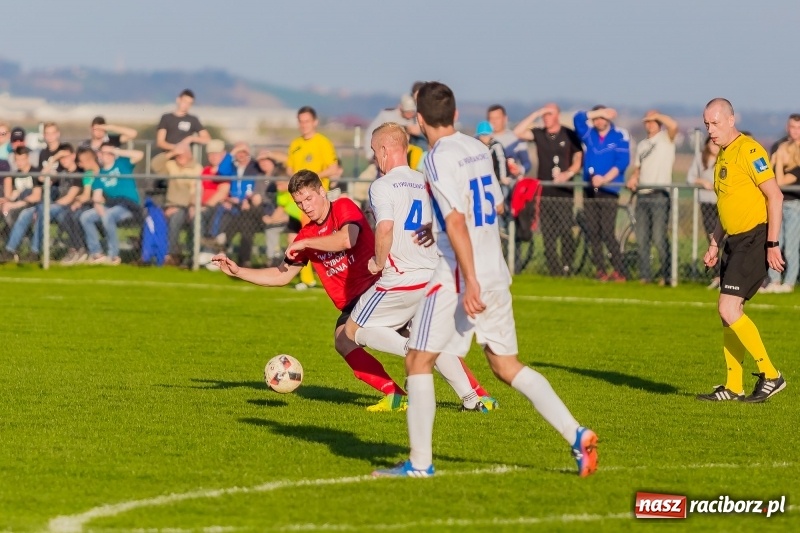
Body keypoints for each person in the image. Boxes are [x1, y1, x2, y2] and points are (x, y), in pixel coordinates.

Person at [373, 82, 597, 478]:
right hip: (495, 268)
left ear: (420, 119)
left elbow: (458, 218)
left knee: (417, 358)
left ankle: (420, 465)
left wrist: (468, 278)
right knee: (505, 366)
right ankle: (575, 433)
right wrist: (438, 227)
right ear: (455, 114)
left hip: (461, 275)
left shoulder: (436, 157)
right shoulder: (477, 148)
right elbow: (487, 205)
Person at [211, 170, 412, 412]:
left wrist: (305, 243)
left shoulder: (342, 208)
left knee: (418, 340)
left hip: (378, 290)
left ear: (322, 192)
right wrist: (239, 272)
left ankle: (467, 394)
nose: (305, 206)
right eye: (299, 202)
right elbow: (282, 274)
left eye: (308, 199)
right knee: (346, 341)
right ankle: (399, 395)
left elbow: (347, 239)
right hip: (352, 303)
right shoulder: (306, 235)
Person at [343, 122, 496, 412]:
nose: (376, 159)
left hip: (400, 278)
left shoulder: (382, 185)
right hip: (433, 276)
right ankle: (472, 400)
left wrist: (377, 261)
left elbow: (386, 229)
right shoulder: (426, 182)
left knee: (353, 331)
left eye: (376, 152)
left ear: (386, 150)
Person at [697, 98, 786, 403]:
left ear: (731, 119)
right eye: (707, 123)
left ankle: (771, 375)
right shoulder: (723, 156)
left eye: (716, 123)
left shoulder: (749, 150)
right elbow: (727, 206)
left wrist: (772, 244)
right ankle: (733, 387)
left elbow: (775, 197)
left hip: (753, 239)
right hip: (733, 242)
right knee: (728, 315)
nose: (710, 129)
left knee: (727, 308)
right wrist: (714, 242)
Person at [513, 104, 583, 275]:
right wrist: (536, 113)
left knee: (566, 229)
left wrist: (568, 173)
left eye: (549, 114)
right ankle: (554, 269)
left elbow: (578, 157)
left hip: (564, 190)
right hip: (544, 191)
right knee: (548, 233)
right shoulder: (539, 134)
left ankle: (567, 266)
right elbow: (518, 132)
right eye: (544, 115)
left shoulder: (569, 134)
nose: (546, 117)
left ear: (557, 115)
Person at [287, 106, 343, 289]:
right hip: (295, 200)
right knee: (292, 237)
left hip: (313, 202)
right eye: (301, 121)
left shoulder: (322, 143)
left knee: (311, 239)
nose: (304, 125)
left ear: (315, 122)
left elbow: (333, 168)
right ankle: (303, 276)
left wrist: (311, 179)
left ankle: (312, 278)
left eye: (307, 121)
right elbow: (290, 169)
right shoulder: (295, 144)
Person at [573, 105, 630, 281]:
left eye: (603, 117)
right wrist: (596, 113)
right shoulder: (589, 134)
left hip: (609, 190)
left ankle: (620, 270)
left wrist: (604, 179)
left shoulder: (619, 136)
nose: (599, 121)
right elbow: (578, 119)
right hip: (590, 190)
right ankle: (600, 269)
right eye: (597, 117)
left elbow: (622, 162)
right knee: (593, 232)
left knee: (607, 231)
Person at [626, 110, 678, 285]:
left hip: (659, 195)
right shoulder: (642, 145)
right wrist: (634, 178)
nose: (649, 124)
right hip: (642, 195)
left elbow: (673, 126)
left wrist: (658, 115)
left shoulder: (666, 139)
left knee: (658, 237)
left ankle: (667, 275)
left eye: (652, 121)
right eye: (646, 121)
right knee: (642, 238)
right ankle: (645, 275)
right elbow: (638, 168)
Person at [79, 143, 144, 265]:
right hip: (111, 206)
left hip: (128, 206)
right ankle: (96, 254)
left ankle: (113, 255)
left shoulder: (122, 164)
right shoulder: (100, 175)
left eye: (109, 153)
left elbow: (140, 155)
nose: (107, 156)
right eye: (103, 153)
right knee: (86, 217)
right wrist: (100, 210)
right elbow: (97, 197)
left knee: (109, 215)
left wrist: (115, 151)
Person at [762, 114, 800, 293]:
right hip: (777, 204)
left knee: (792, 247)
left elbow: (780, 181)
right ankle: (774, 281)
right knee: (774, 242)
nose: (795, 132)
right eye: (792, 127)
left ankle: (789, 282)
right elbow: (768, 176)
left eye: (798, 128)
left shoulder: (797, 161)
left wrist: (778, 162)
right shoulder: (779, 145)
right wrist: (775, 159)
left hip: (794, 204)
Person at [150, 144, 203, 266]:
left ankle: (172, 255)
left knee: (176, 217)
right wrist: (172, 152)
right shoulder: (171, 165)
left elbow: (195, 191)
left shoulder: (196, 168)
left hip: (186, 207)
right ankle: (151, 254)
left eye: (181, 155)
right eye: (177, 156)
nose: (179, 158)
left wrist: (186, 206)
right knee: (152, 217)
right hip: (169, 206)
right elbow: (155, 165)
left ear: (189, 155)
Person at [687, 136, 721, 289]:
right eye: (711, 143)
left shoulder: (725, 158)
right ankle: (717, 274)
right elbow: (690, 178)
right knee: (712, 239)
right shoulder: (701, 158)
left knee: (725, 240)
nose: (714, 146)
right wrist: (703, 182)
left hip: (722, 204)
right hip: (707, 203)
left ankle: (727, 274)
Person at [0, 147, 43, 263]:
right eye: (17, 160)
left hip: (35, 207)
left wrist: (14, 205)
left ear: (27, 158)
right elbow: (15, 193)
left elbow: (36, 196)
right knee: (6, 212)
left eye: (22, 159)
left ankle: (10, 250)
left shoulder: (35, 172)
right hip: (20, 207)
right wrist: (6, 201)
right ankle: (13, 248)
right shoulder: (16, 174)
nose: (20, 163)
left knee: (24, 214)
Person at [486, 104, 531, 177]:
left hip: (511, 184)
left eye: (497, 118)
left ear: (505, 118)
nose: (494, 121)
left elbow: (527, 163)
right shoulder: (481, 140)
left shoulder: (516, 139)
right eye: (491, 118)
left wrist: (520, 169)